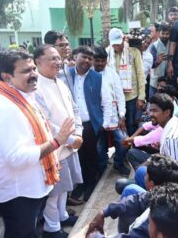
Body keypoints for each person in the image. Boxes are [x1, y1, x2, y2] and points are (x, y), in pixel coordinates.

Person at [0, 51, 74, 237]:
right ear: (7, 77)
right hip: (18, 194)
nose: (34, 74)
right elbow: (16, 158)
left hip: (31, 187)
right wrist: (57, 142)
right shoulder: (5, 108)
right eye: (26, 71)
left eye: (33, 68)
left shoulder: (23, 96)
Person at [34, 45, 83, 237]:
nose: (58, 62)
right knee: (54, 192)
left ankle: (62, 216)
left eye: (58, 58)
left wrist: (78, 134)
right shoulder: (36, 87)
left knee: (65, 188)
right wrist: (70, 139)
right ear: (38, 62)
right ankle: (51, 227)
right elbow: (45, 121)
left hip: (71, 145)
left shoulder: (60, 82)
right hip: (54, 148)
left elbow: (75, 110)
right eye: (52, 59)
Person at [86, 155, 178, 235]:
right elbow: (138, 199)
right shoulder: (167, 194)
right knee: (129, 190)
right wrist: (104, 211)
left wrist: (95, 236)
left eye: (146, 175)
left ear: (152, 185)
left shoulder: (155, 219)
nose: (144, 176)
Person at [69, 46, 104, 201]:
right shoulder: (66, 74)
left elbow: (104, 100)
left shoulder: (97, 77)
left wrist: (103, 121)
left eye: (90, 58)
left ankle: (91, 183)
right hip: (71, 124)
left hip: (90, 123)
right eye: (84, 57)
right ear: (76, 56)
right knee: (77, 155)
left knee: (90, 154)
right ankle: (81, 184)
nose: (87, 61)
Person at [92, 46, 130, 177]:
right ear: (92, 60)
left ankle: (118, 164)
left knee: (123, 141)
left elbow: (120, 95)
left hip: (113, 116)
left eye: (103, 61)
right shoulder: (88, 74)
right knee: (99, 147)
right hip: (96, 118)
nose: (100, 64)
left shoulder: (112, 73)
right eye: (97, 60)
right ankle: (101, 170)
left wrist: (122, 116)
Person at [129, 93, 178, 169]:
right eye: (150, 110)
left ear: (167, 112)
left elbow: (174, 171)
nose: (151, 114)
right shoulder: (173, 120)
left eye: (155, 111)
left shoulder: (171, 139)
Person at [107, 28, 146, 136]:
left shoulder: (134, 52)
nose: (116, 47)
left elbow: (140, 75)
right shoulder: (107, 53)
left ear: (123, 39)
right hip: (114, 97)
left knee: (131, 124)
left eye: (118, 44)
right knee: (117, 126)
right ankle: (122, 148)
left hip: (131, 97)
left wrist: (141, 97)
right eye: (113, 45)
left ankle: (131, 149)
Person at [149, 22, 171, 96]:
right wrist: (158, 62)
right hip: (155, 83)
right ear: (159, 33)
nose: (165, 36)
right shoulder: (154, 46)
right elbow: (150, 65)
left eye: (167, 34)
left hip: (167, 82)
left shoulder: (171, 44)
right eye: (163, 33)